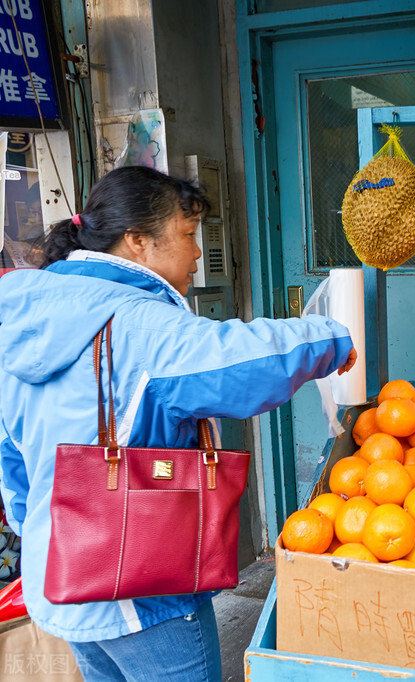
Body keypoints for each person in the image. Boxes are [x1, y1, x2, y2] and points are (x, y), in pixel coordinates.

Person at [0, 166, 358, 680]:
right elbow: (237, 363)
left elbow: (12, 466)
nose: (196, 253)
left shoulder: (22, 320)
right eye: (188, 235)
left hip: (60, 577)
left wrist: (41, 528)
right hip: (136, 590)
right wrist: (331, 337)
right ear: (137, 241)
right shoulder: (138, 323)